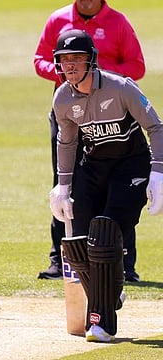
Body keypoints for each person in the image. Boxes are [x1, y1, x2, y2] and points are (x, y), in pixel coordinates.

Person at [49, 29, 163, 342]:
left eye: (76, 58)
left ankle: (99, 323)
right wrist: (62, 186)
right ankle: (111, 294)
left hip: (131, 165)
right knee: (78, 243)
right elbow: (67, 141)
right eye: (64, 59)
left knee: (106, 231)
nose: (70, 65)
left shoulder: (120, 87)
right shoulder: (62, 98)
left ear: (91, 60)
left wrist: (158, 173)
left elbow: (156, 127)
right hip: (94, 167)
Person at [33, 0, 146, 281]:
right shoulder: (57, 19)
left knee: (119, 186)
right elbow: (40, 60)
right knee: (64, 185)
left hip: (110, 110)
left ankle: (123, 263)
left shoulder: (118, 22)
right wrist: (69, 71)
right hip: (70, 111)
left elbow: (137, 66)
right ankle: (62, 260)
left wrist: (95, 73)